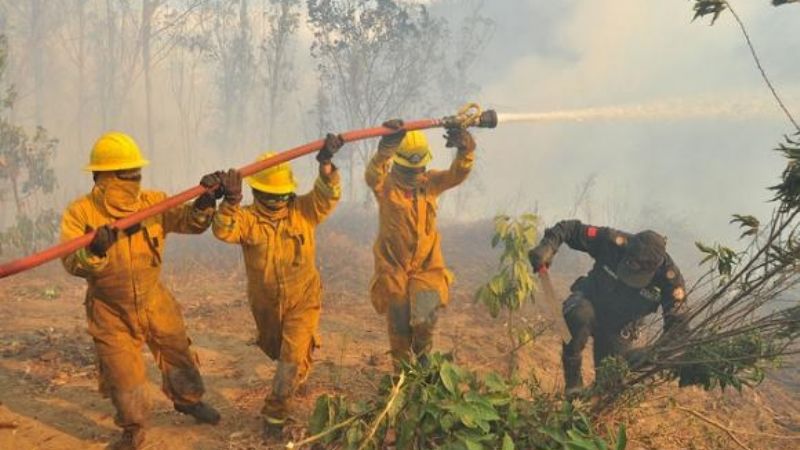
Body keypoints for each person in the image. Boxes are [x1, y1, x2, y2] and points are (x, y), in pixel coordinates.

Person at [60, 132, 221, 450]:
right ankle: (133, 429)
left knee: (177, 351)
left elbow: (191, 222)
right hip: (110, 309)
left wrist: (205, 200)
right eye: (126, 175)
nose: (133, 181)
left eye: (137, 173)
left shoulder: (154, 203)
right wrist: (94, 251)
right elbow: (70, 261)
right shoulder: (81, 213)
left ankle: (188, 400)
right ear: (101, 177)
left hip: (153, 298)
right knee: (124, 374)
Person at [212, 134, 343, 434]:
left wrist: (326, 164)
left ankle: (275, 415)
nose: (278, 200)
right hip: (266, 307)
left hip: (304, 299)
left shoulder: (303, 210)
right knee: (279, 352)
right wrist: (230, 202)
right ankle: (294, 373)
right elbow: (223, 230)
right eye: (271, 195)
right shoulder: (247, 220)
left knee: (291, 358)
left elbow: (328, 196)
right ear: (256, 191)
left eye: (282, 194)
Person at [528, 220, 688, 396]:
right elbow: (570, 229)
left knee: (609, 384)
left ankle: (593, 400)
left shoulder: (670, 281)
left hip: (620, 326)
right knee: (578, 316)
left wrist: (649, 355)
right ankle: (573, 385)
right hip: (589, 301)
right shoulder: (613, 242)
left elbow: (678, 330)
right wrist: (548, 247)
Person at [365, 120, 476, 367]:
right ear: (397, 165)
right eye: (410, 171)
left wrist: (465, 151)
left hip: (428, 268)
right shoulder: (386, 186)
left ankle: (423, 357)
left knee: (425, 318)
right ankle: (402, 375)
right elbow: (373, 175)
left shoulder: (431, 182)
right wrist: (385, 149)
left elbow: (456, 174)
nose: (416, 175)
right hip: (392, 268)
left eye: (420, 168)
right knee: (399, 326)